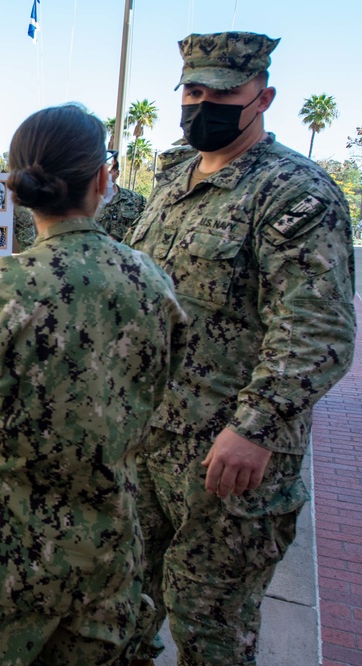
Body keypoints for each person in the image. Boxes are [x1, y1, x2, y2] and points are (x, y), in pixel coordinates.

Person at [0, 104, 187, 665]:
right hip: (105, 567)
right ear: (102, 179)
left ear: (18, 185)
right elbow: (158, 400)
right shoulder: (153, 284)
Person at [126, 32, 356, 665]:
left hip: (227, 462)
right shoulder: (173, 179)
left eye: (224, 93)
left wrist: (254, 428)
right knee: (125, 604)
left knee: (211, 627)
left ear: (264, 97)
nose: (204, 105)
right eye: (194, 91)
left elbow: (318, 330)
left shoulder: (293, 194)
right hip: (150, 442)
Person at [95, 152, 146, 242]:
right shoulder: (90, 202)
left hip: (127, 254)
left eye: (109, 171)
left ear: (117, 173)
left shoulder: (135, 200)